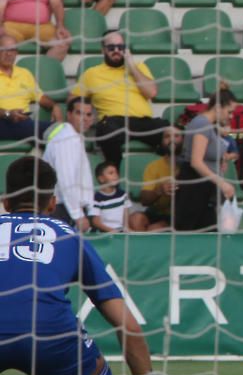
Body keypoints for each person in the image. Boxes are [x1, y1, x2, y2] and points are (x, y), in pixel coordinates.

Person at [0, 156, 174, 375]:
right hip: (49, 331)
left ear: (4, 201)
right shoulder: (70, 236)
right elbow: (127, 324)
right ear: (52, 202)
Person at [71, 31, 167, 168]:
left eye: (120, 47)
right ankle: (114, 178)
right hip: (114, 122)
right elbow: (73, 100)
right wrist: (86, 116)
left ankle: (162, 172)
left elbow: (151, 93)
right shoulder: (91, 74)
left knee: (171, 131)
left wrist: (132, 66)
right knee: (106, 129)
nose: (116, 51)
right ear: (103, 49)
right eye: (111, 48)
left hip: (143, 122)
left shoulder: (138, 67)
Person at [172, 87, 238, 232]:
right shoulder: (201, 124)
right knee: (193, 242)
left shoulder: (211, 126)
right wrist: (222, 183)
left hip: (206, 193)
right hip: (194, 192)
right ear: (219, 107)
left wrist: (221, 159)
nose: (231, 116)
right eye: (230, 112)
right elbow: (196, 161)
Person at [43, 95, 95, 232]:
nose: (85, 118)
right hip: (61, 209)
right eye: (79, 113)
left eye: (89, 114)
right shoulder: (66, 140)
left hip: (68, 208)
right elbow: (66, 180)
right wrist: (78, 215)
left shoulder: (75, 137)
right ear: (69, 115)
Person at [0, 33, 62, 143]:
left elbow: (41, 97)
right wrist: (8, 114)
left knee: (62, 131)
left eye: (13, 50)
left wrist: (54, 106)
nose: (9, 54)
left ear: (17, 53)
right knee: (58, 131)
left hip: (22, 122)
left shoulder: (25, 74)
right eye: (5, 49)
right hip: (2, 121)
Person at [0, 0, 70, 61]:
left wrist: (60, 26)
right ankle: (9, 74)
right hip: (13, 26)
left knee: (63, 42)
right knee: (5, 43)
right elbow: (1, 5)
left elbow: (56, 3)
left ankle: (43, 72)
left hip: (42, 27)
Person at [132, 125, 180, 232]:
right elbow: (144, 200)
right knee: (136, 220)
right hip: (156, 212)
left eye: (176, 136)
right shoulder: (153, 166)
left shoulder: (190, 164)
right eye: (167, 136)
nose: (171, 139)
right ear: (162, 141)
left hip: (179, 216)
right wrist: (160, 190)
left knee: (154, 229)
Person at [89, 161, 129, 233]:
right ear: (101, 179)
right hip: (103, 233)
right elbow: (96, 222)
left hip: (120, 232)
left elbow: (125, 215)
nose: (115, 175)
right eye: (111, 173)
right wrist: (111, 231)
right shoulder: (96, 198)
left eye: (116, 172)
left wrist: (126, 229)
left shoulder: (123, 194)